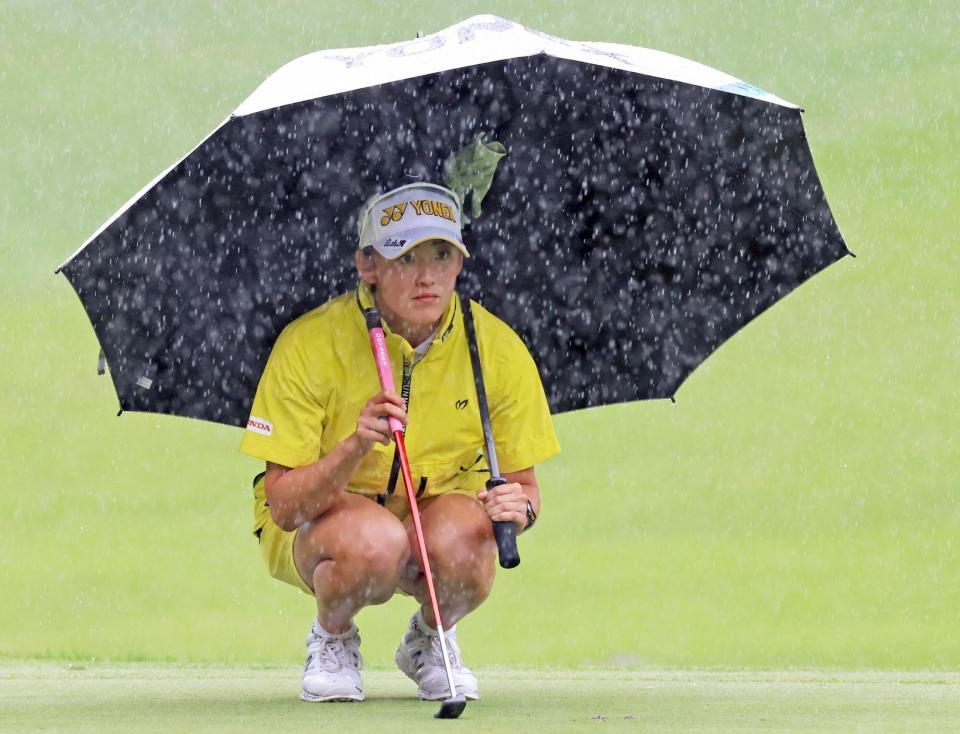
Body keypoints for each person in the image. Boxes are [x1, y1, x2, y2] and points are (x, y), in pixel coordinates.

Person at [239, 181, 560, 703]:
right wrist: (354, 448)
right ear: (368, 266)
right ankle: (333, 637)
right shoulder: (309, 343)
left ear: (459, 262)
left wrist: (518, 509)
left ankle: (431, 639)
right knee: (375, 543)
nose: (428, 275)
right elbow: (283, 505)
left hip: (435, 511)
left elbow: (526, 489)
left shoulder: (496, 349)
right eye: (405, 258)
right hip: (323, 526)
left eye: (441, 255)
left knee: (472, 535)